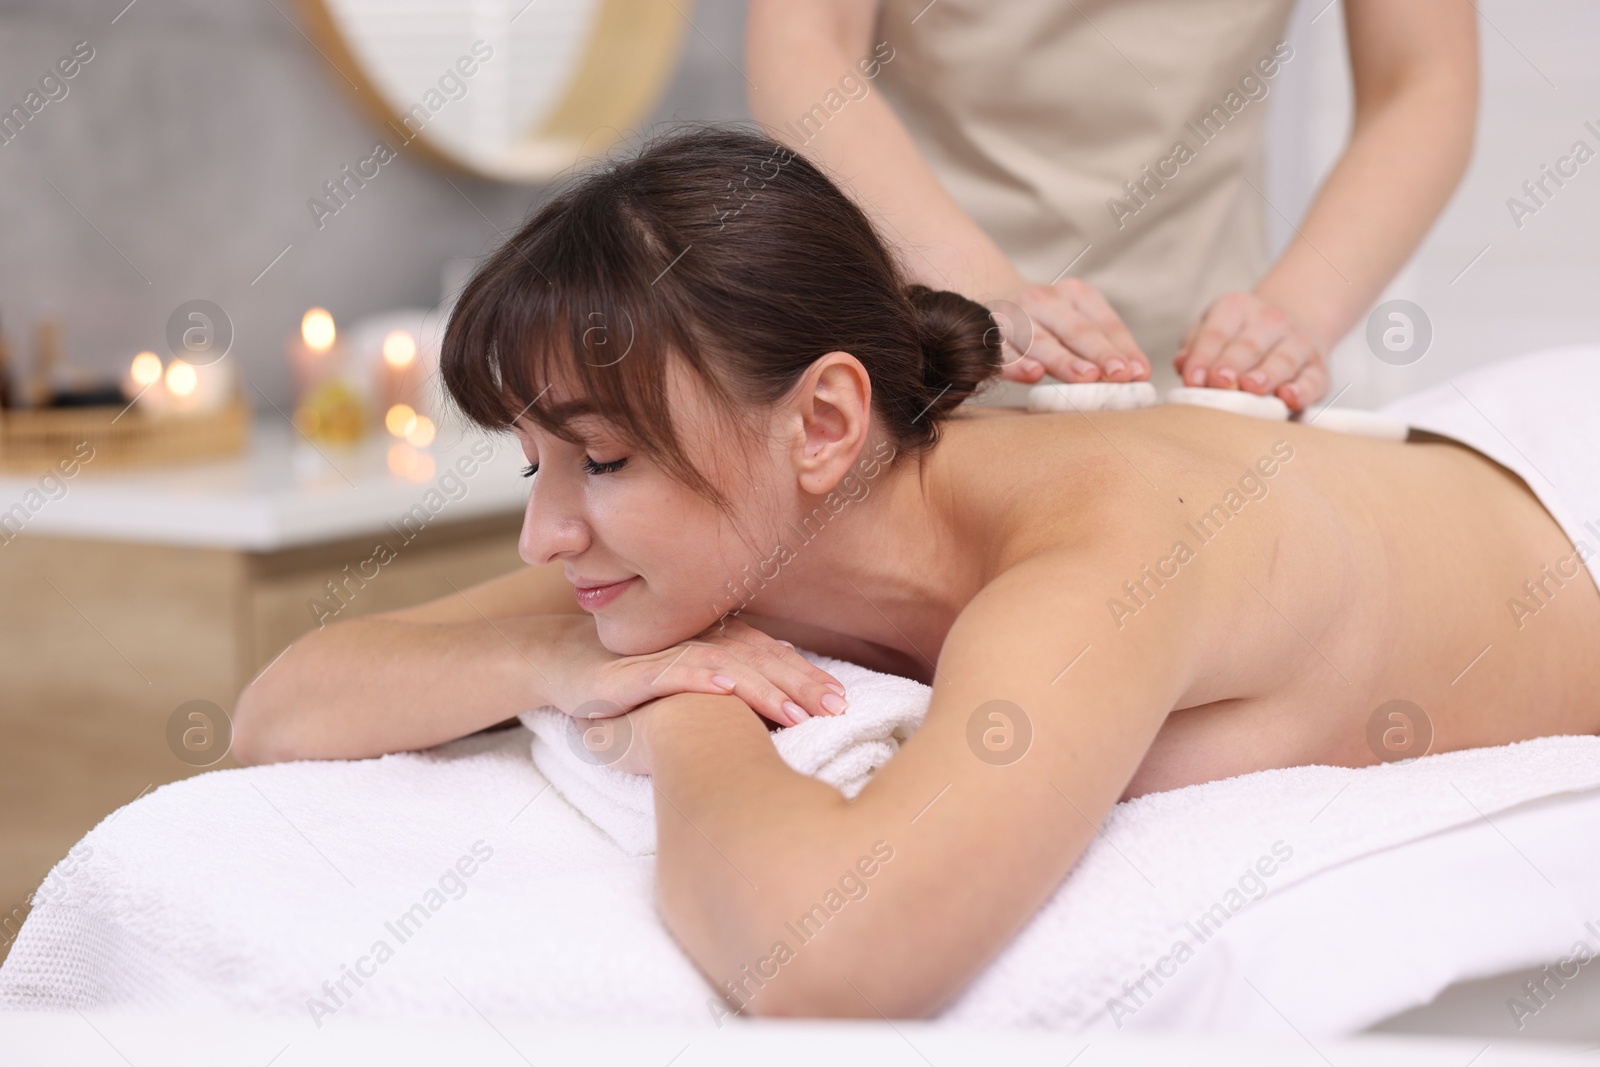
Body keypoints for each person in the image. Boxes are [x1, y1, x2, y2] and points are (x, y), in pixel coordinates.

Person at [231, 129, 1600, 1018]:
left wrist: (686, 713)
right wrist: (571, 657)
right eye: (537, 467)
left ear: (823, 421)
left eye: (601, 461)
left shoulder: (1099, 556)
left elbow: (834, 960)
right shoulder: (745, 526)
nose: (545, 539)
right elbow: (283, 707)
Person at [745, 0, 1479, 410]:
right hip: (919, 346)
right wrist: (978, 288)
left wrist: (1293, 316)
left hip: (1208, 377)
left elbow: (1424, 80)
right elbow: (805, 46)